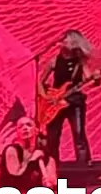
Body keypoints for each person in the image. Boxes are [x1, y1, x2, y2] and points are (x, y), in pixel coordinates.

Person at [40, 30, 96, 164]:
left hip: (74, 102)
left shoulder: (80, 62)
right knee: (53, 136)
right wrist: (45, 97)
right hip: (55, 103)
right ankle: (52, 165)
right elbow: (40, 81)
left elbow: (90, 79)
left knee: (78, 134)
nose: (61, 42)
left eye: (64, 39)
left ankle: (84, 166)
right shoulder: (54, 61)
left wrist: (96, 78)